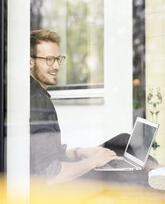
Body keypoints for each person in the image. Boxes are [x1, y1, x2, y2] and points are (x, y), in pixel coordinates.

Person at [30, 29, 159, 185]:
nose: (56, 66)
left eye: (58, 59)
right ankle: (155, 180)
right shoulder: (37, 100)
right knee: (128, 175)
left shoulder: (37, 94)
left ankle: (157, 171)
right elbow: (51, 175)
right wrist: (92, 162)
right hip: (58, 188)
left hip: (57, 175)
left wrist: (81, 152)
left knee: (123, 140)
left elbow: (49, 155)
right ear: (30, 62)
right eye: (49, 59)